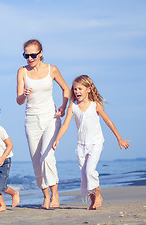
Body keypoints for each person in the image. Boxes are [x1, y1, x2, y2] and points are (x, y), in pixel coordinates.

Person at [52, 75, 130, 210]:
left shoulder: (96, 105)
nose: (77, 92)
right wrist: (57, 138)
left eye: (80, 89)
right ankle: (93, 200)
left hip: (95, 143)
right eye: (75, 89)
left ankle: (98, 195)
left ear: (88, 89)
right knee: (84, 175)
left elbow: (108, 121)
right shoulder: (73, 106)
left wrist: (119, 138)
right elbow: (65, 125)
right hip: (81, 145)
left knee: (89, 171)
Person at [16, 39, 70, 209]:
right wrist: (24, 95)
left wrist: (63, 106)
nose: (29, 58)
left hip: (50, 117)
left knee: (47, 156)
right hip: (31, 119)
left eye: (33, 55)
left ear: (40, 53)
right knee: (36, 161)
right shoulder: (22, 71)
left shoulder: (51, 69)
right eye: (26, 55)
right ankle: (45, 196)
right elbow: (18, 100)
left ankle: (55, 196)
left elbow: (66, 89)